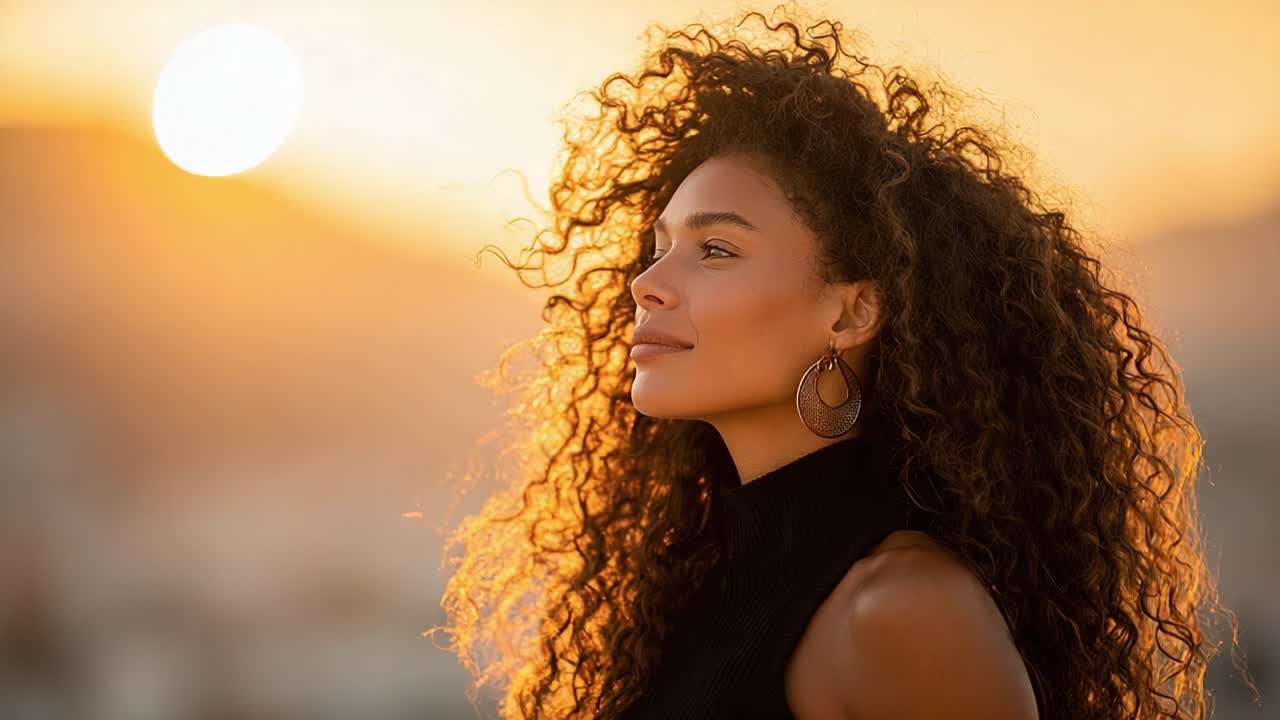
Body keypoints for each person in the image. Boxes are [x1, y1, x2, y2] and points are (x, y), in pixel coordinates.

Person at [430, 3, 1249, 718]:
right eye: (658, 248)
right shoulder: (697, 575)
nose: (647, 285)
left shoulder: (904, 611)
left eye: (714, 249)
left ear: (853, 310)